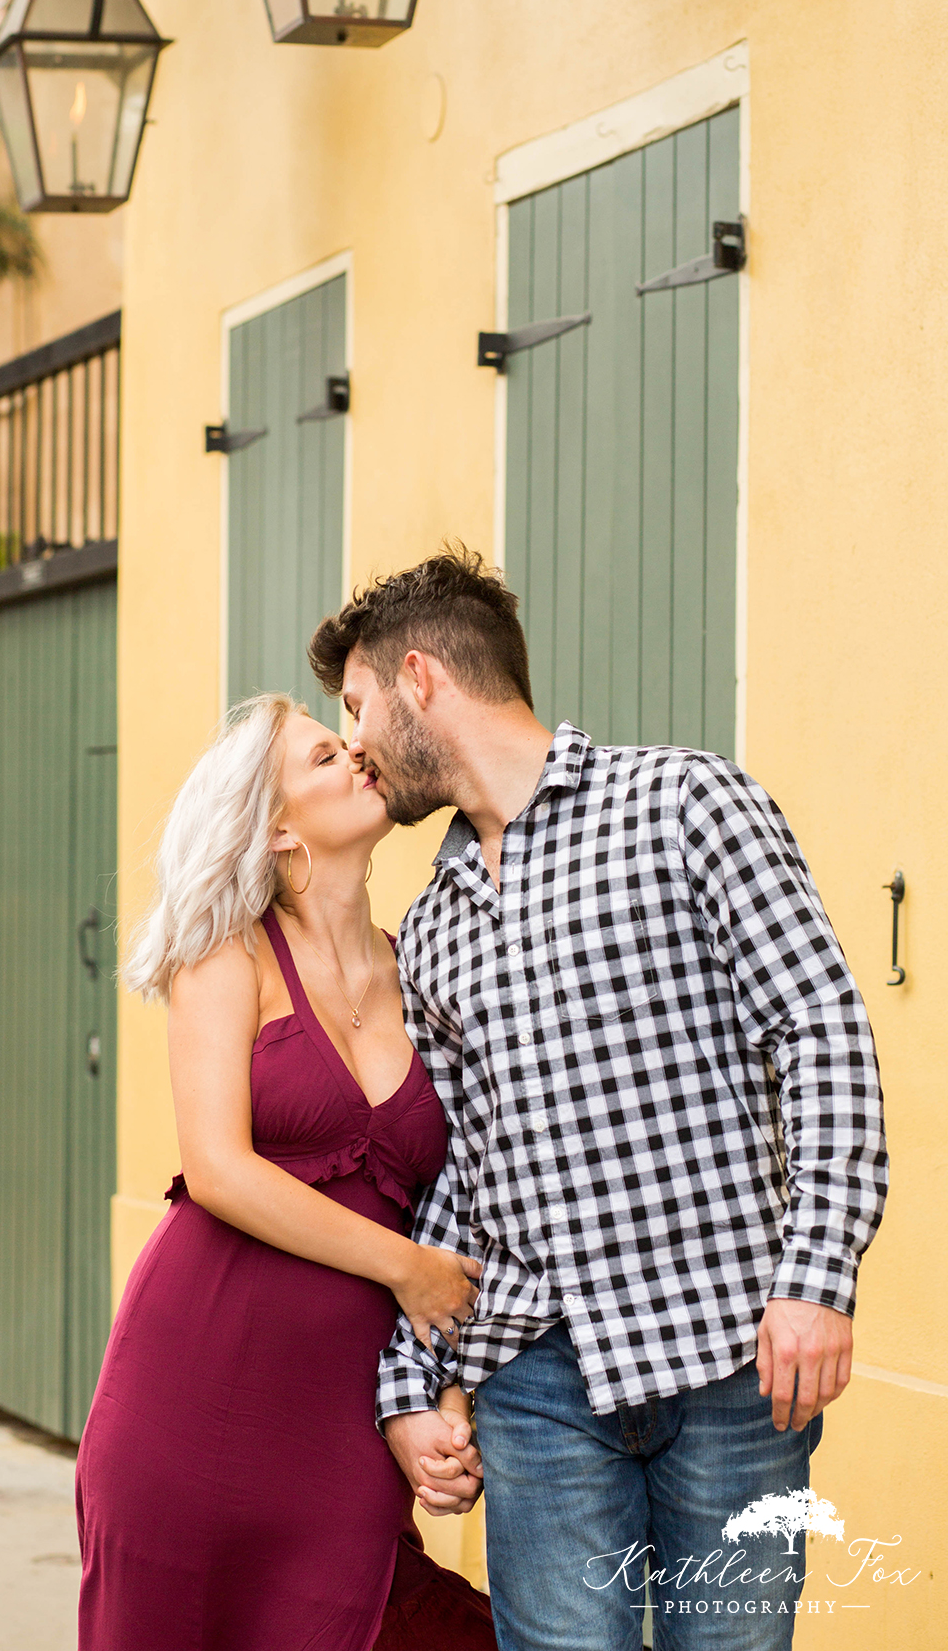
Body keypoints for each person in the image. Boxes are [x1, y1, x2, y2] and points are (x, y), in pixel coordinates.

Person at [306, 548, 888, 1651]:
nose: (356, 747)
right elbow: (457, 1177)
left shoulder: (687, 804)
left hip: (729, 1365)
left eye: (358, 705)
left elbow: (820, 1032)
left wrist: (818, 1279)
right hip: (539, 1386)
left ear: (420, 678)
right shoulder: (432, 929)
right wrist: (407, 1386)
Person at [74, 693, 496, 1651]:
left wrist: (447, 1397)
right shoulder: (227, 957)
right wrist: (402, 1266)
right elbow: (217, 1168)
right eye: (321, 758)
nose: (357, 757)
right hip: (188, 1404)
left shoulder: (424, 965)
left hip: (345, 1423)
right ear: (275, 828)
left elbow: (468, 1197)